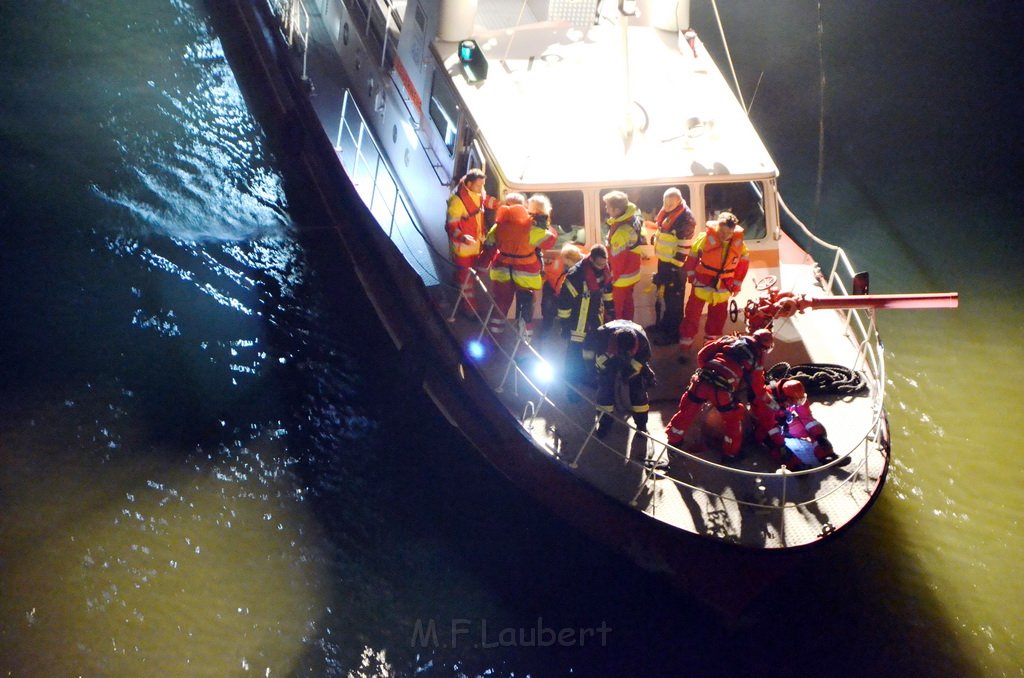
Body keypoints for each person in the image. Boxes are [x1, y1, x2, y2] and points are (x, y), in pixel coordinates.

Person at [665, 329, 775, 461]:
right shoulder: (756, 360)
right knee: (733, 419)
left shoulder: (729, 340)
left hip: (700, 380)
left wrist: (710, 371)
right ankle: (730, 454)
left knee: (687, 410)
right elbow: (757, 386)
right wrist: (767, 398)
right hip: (722, 391)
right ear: (765, 348)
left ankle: (673, 441)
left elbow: (702, 354)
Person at [479, 193, 557, 340]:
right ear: (522, 207)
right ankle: (525, 340)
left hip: (502, 269)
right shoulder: (530, 227)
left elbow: (489, 246)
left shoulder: (498, 226)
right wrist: (547, 225)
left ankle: (494, 336)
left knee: (501, 303)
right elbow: (549, 241)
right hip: (525, 272)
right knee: (526, 304)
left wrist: (481, 267)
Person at [679, 211, 750, 351]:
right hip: (702, 283)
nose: (725, 236)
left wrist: (736, 286)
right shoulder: (704, 239)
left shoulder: (740, 246)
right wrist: (691, 276)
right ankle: (685, 344)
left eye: (729, 233)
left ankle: (711, 346)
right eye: (722, 232)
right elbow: (692, 258)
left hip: (723, 287)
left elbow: (742, 266)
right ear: (717, 227)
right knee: (692, 314)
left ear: (733, 231)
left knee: (718, 318)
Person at [557, 245, 614, 396]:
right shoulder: (577, 275)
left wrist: (611, 310)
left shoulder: (605, 271)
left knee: (592, 351)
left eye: (604, 264)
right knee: (574, 355)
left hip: (595, 319)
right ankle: (572, 387)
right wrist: (564, 324)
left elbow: (607, 292)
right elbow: (564, 301)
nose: (602, 268)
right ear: (591, 259)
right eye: (599, 265)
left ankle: (588, 377)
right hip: (577, 322)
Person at [582, 320, 655, 439]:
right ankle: (604, 425)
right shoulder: (600, 335)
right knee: (605, 392)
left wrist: (631, 372)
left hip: (632, 359)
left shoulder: (642, 340)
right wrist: (590, 369)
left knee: (638, 392)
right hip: (607, 356)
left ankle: (641, 426)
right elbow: (588, 350)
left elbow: (643, 359)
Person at [445, 168, 499, 313]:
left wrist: (499, 204)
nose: (481, 188)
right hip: (462, 248)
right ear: (468, 184)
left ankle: (457, 280)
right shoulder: (456, 201)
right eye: (478, 185)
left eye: (482, 185)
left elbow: (486, 199)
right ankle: (470, 310)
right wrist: (462, 237)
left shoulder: (478, 191)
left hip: (476, 245)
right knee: (467, 282)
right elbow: (451, 226)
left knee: (471, 275)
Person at [648, 187, 696, 345]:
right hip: (665, 262)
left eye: (670, 203)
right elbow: (664, 232)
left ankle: (673, 334)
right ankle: (663, 326)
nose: (667, 206)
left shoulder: (686, 219)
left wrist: (674, 269)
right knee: (664, 296)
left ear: (679, 201)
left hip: (676, 267)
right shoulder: (670, 212)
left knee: (674, 302)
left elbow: (683, 248)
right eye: (665, 203)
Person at [602, 190, 645, 321]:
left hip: (622, 277)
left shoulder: (621, 233)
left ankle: (617, 335)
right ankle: (629, 330)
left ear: (616, 209)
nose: (606, 209)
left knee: (616, 308)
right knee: (628, 303)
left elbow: (617, 259)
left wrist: (612, 278)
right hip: (632, 272)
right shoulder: (633, 218)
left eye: (608, 206)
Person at [750, 378, 809, 471]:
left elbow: (806, 416)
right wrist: (781, 444)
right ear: (784, 397)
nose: (795, 405)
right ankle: (796, 466)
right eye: (793, 402)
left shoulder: (795, 394)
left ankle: (826, 454)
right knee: (777, 446)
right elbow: (770, 426)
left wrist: (819, 436)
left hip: (783, 423)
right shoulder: (766, 399)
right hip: (765, 427)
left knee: (812, 427)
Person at [540, 243, 583, 339]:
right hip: (559, 293)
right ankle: (547, 328)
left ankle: (565, 329)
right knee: (548, 304)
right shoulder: (561, 264)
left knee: (566, 309)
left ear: (568, 259)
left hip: (573, 297)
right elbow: (549, 275)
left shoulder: (580, 269)